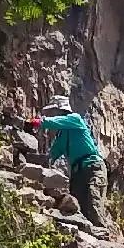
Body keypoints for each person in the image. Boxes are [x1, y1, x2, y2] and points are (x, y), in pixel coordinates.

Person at [28, 97, 108, 229]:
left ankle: (101, 234)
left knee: (93, 200)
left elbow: (53, 122)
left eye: (53, 113)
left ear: (60, 111)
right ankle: (87, 234)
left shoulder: (75, 119)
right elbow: (51, 156)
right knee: (78, 206)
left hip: (93, 166)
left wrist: (37, 122)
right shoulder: (62, 137)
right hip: (78, 173)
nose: (52, 116)